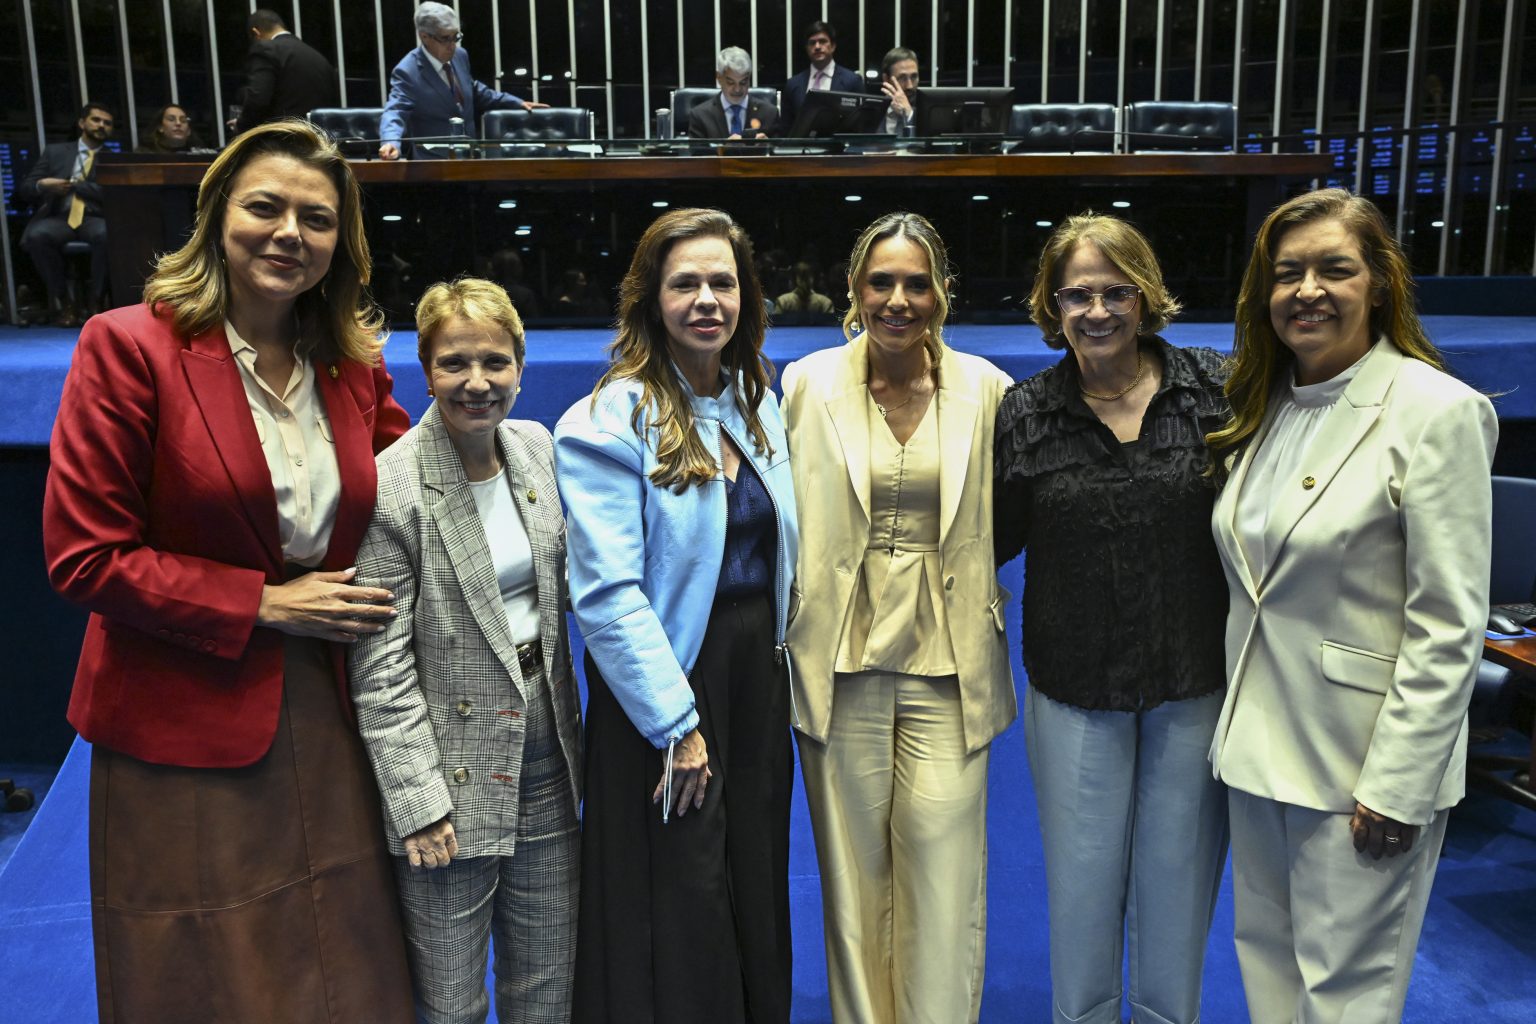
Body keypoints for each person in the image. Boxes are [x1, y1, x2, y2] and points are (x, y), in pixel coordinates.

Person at [42, 119, 415, 1024]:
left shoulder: (352, 366)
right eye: (266, 208)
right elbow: (86, 556)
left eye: (317, 219)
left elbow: (415, 490)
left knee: (346, 964)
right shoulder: (128, 346)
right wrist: (266, 604)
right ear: (217, 218)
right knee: (207, 975)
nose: (290, 233)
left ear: (341, 243)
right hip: (179, 713)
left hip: (326, 700)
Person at [1206, 188, 1497, 1023]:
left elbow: (1449, 625)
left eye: (1334, 269)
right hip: (1257, 755)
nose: (1308, 291)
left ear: (1380, 283)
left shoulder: (1436, 411)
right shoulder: (1264, 405)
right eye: (1287, 273)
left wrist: (1399, 785)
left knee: (1346, 1001)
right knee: (1269, 979)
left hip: (1359, 771)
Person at [554, 207, 799, 1024]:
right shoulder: (607, 420)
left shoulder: (756, 404)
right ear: (650, 299)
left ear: (746, 297)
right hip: (664, 689)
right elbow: (606, 596)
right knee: (683, 894)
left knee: (754, 875)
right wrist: (675, 725)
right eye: (685, 283)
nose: (706, 300)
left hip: (754, 682)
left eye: (722, 283)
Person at [993, 213, 1231, 1024]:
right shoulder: (1024, 413)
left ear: (1145, 296)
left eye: (1115, 292)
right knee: (1082, 894)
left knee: (1178, 895)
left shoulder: (1217, 391)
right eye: (1077, 295)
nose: (1096, 311)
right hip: (1074, 688)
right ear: (1052, 306)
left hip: (1193, 681)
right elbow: (987, 541)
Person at [783, 211, 1014, 1024]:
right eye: (881, 282)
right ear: (853, 289)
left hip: (951, 668)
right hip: (836, 664)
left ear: (943, 293)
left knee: (945, 882)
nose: (898, 300)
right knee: (851, 884)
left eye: (917, 283)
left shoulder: (988, 390)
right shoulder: (805, 385)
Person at [350, 278, 583, 1024]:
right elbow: (381, 671)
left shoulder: (537, 449)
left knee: (548, 990)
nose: (477, 383)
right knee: (449, 1005)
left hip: (548, 763)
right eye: (454, 363)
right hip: (448, 782)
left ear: (520, 364)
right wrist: (418, 804)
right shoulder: (391, 488)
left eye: (494, 362)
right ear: (425, 369)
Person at [380, 2, 547, 160]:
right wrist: (390, 142)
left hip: (469, 158)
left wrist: (516, 102)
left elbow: (473, 90)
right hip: (432, 164)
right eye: (445, 38)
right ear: (424, 37)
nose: (452, 45)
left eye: (456, 37)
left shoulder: (460, 55)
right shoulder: (407, 71)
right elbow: (395, 110)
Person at [18, 102, 114, 326]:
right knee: (37, 236)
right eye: (96, 120)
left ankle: (96, 301)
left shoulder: (112, 159)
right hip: (59, 216)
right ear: (82, 123)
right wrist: (43, 185)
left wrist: (75, 185)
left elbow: (111, 193)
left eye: (107, 123)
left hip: (93, 217)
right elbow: (27, 188)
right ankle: (64, 301)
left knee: (107, 234)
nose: (101, 125)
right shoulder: (55, 152)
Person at [232, 9, 338, 135]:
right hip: (316, 137)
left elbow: (258, 99)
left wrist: (241, 125)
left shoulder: (266, 49)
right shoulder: (318, 57)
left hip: (281, 137)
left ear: (256, 32)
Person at [781, 20, 864, 125]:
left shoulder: (852, 81)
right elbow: (786, 128)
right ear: (807, 48)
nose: (817, 47)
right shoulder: (793, 84)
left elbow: (860, 124)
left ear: (833, 46)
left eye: (822, 41)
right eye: (812, 43)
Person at [687, 47, 778, 139]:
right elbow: (697, 148)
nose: (737, 89)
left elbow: (779, 147)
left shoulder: (769, 113)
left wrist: (768, 145)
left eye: (743, 82)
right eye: (730, 83)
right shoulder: (700, 115)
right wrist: (723, 147)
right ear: (719, 77)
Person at [135, 103, 216, 154]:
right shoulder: (144, 154)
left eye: (183, 120)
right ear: (160, 127)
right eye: (171, 119)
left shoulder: (199, 154)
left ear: (189, 131)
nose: (178, 123)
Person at [876, 47, 919, 136]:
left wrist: (909, 114)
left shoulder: (927, 113)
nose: (909, 85)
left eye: (914, 77)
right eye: (902, 78)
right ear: (886, 79)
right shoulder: (874, 112)